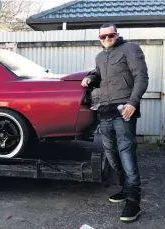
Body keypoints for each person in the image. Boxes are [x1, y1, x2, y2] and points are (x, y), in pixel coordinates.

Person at [81, 23, 149, 222]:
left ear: (117, 35)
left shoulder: (131, 49)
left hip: (124, 110)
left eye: (110, 35)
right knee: (111, 154)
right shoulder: (100, 56)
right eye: (103, 37)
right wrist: (89, 77)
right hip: (105, 110)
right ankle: (125, 188)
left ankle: (134, 201)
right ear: (99, 38)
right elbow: (98, 73)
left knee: (126, 152)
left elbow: (141, 77)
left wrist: (133, 103)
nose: (107, 39)